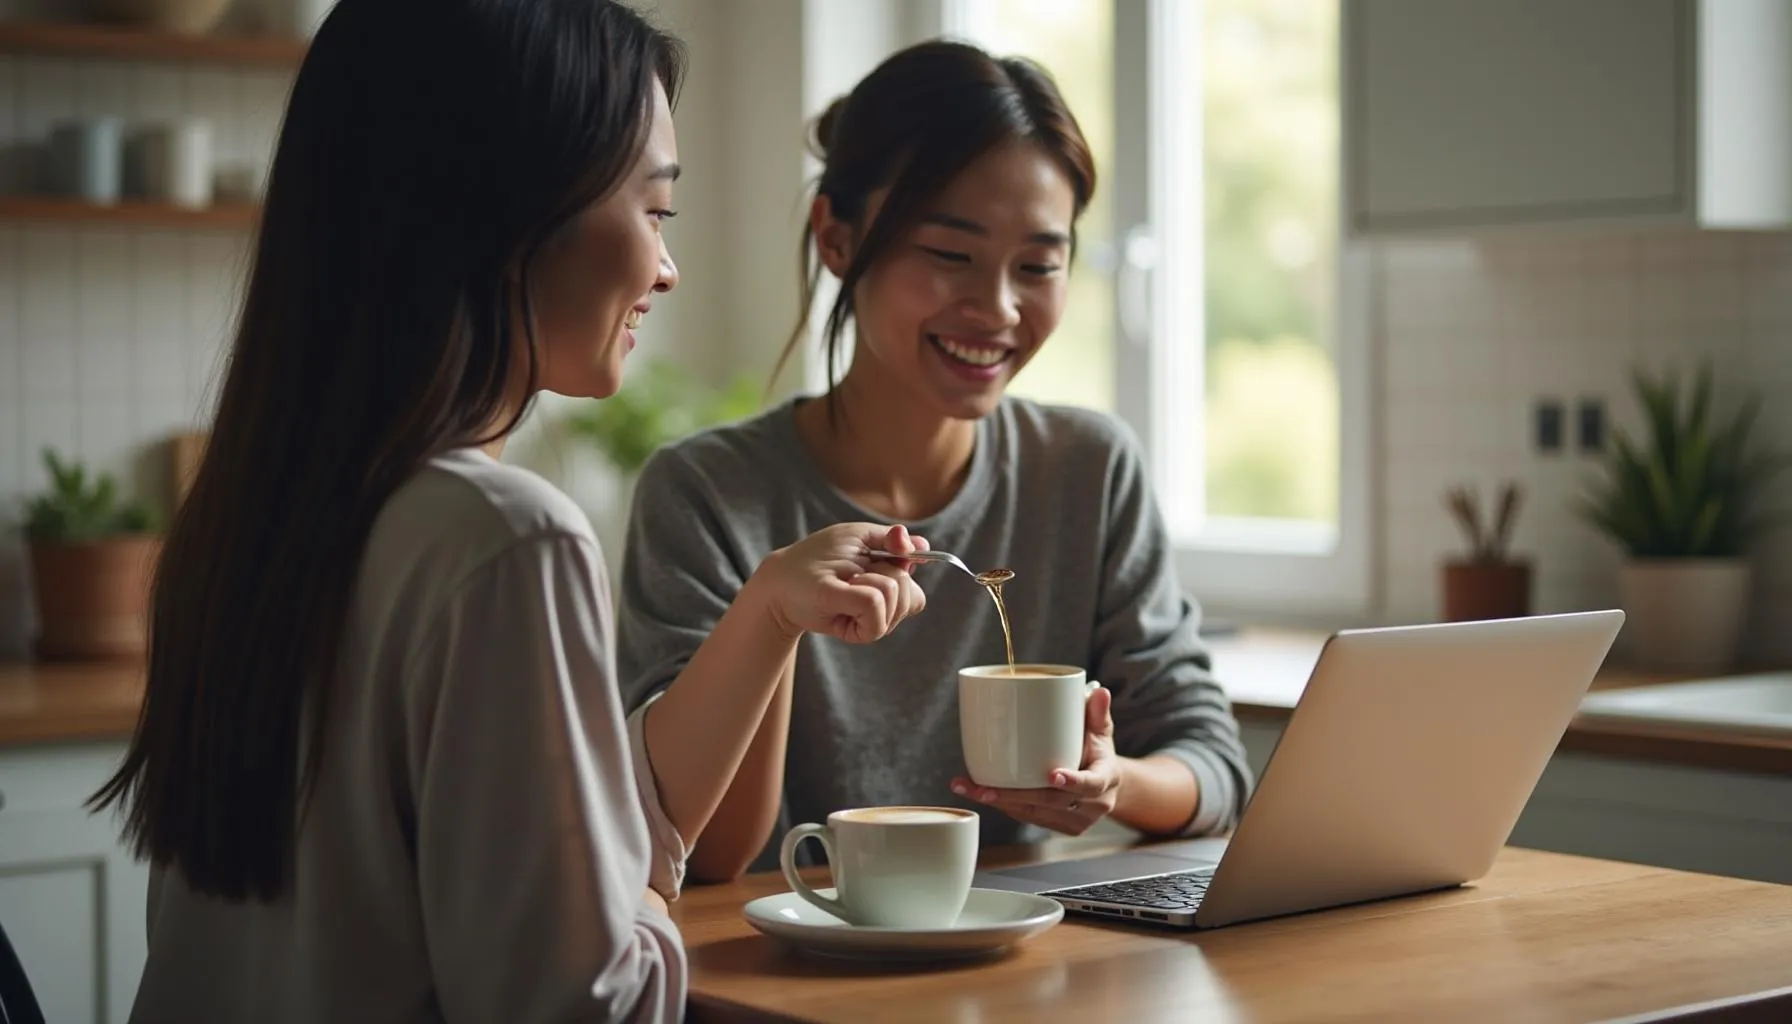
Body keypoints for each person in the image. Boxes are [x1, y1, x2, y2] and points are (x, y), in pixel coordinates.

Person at [88, 2, 925, 1021]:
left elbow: (581, 836)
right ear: (511, 208)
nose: (667, 268)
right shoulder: (505, 537)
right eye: (655, 211)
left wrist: (769, 612)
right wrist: (644, 910)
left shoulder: (249, 521)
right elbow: (578, 1000)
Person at [616, 39, 1254, 883]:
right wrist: (771, 617)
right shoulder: (706, 494)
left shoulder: (1088, 471)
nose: (995, 308)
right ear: (837, 238)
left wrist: (1112, 784)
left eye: (1037, 265)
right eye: (951, 255)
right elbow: (697, 851)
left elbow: (1212, 764)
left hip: (1024, 964)